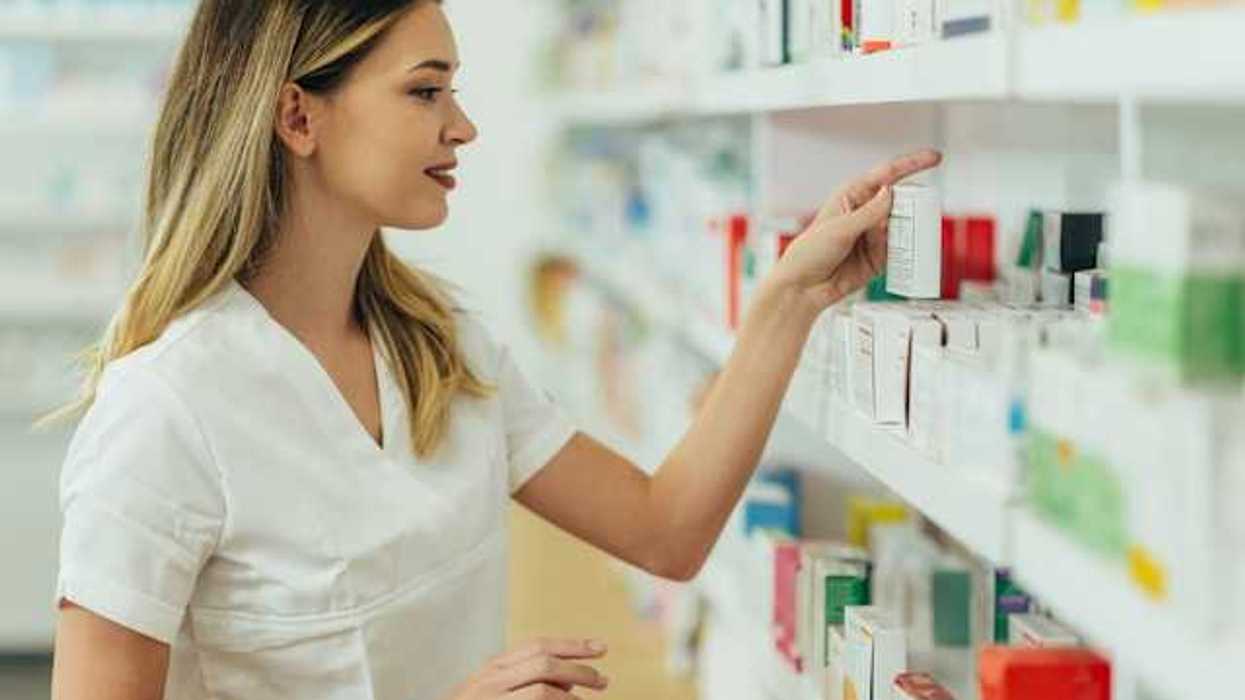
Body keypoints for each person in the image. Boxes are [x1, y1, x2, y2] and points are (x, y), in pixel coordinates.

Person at [48, 1, 941, 698]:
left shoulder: (440, 349)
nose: (462, 126)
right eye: (424, 90)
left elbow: (666, 530)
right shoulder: (166, 410)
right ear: (296, 116)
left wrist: (790, 299)